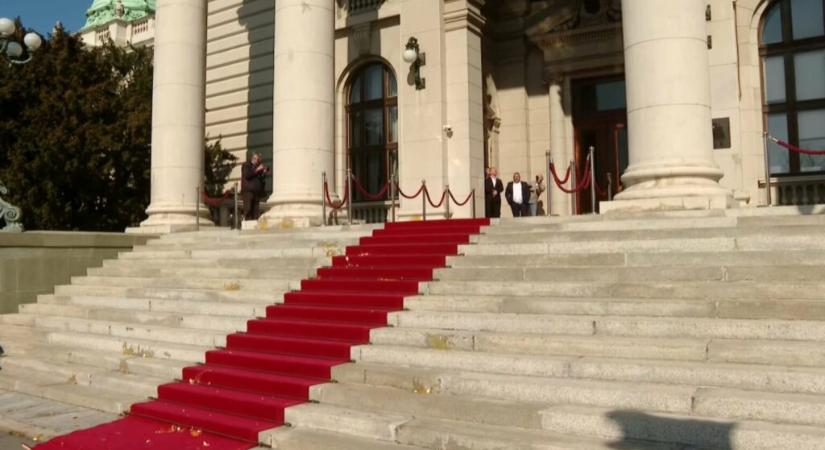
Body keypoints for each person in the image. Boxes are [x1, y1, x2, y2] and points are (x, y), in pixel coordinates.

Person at [241, 153, 269, 220]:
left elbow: (261, 179)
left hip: (256, 192)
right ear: (252, 158)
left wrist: (263, 172)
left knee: (256, 210)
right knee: (248, 208)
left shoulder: (257, 167)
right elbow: (247, 175)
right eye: (256, 159)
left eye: (258, 159)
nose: (257, 161)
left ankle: (254, 223)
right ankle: (247, 223)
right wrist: (257, 169)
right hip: (248, 191)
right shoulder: (246, 165)